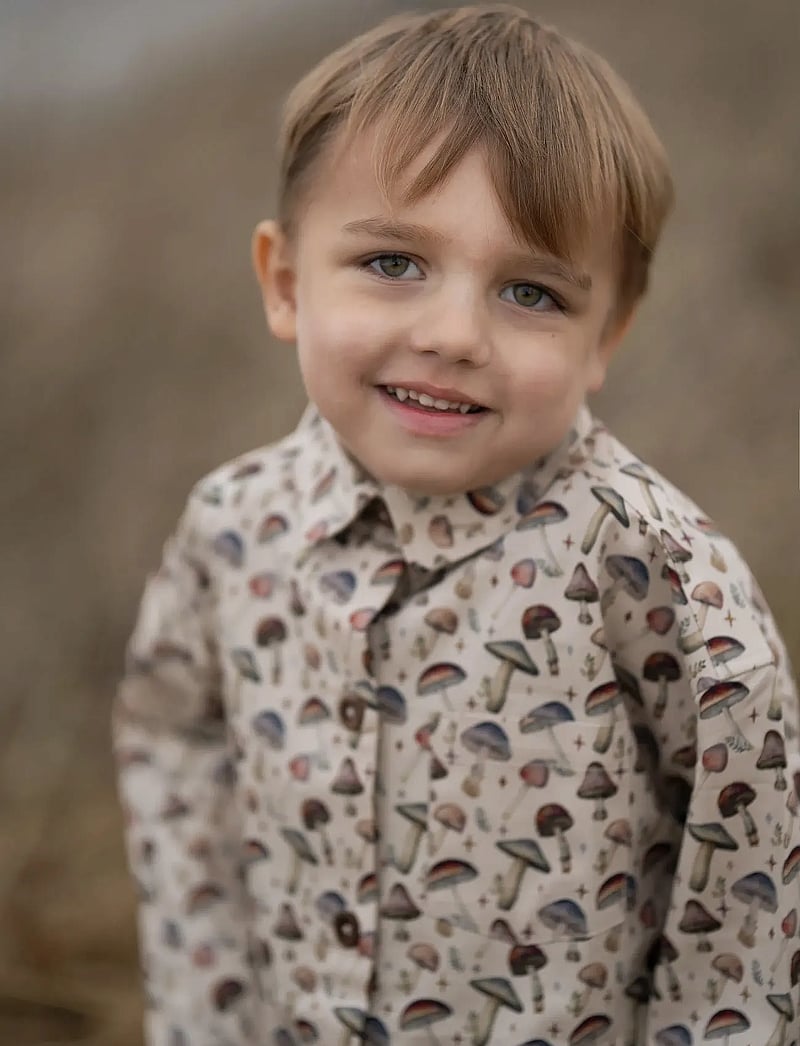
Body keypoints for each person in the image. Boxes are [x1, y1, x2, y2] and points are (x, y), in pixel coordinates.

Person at [112, 4, 800, 1044]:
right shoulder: (233, 528)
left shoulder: (648, 566)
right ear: (286, 281)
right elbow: (173, 744)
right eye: (392, 261)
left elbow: (751, 873)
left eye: (530, 290)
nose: (452, 334)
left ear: (603, 333)